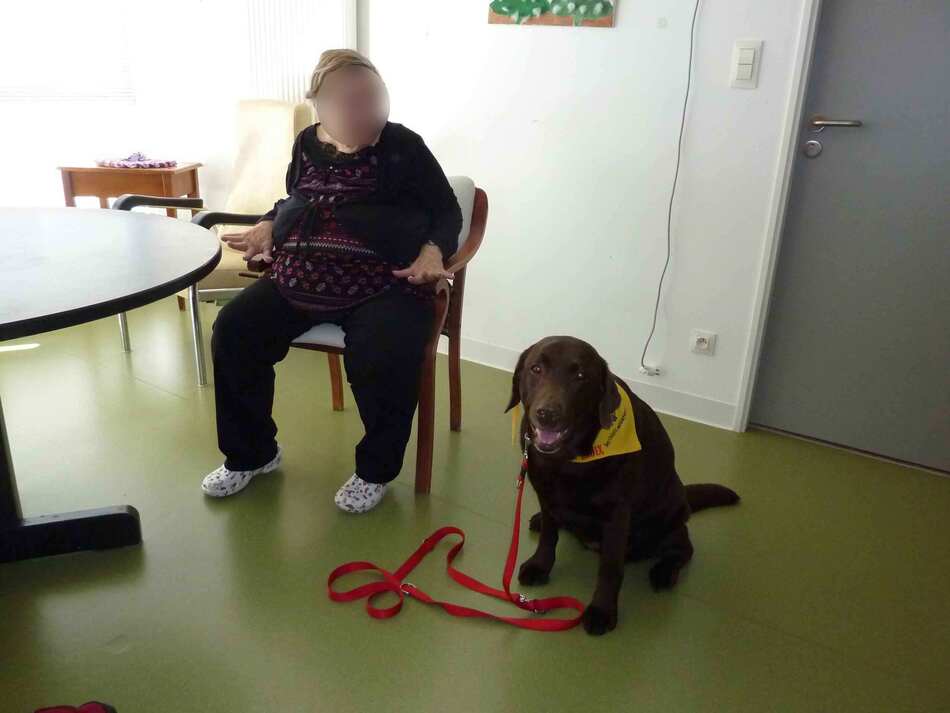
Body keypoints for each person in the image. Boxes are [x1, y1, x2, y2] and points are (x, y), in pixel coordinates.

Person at [201, 49, 462, 513]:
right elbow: (297, 199)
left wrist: (432, 250)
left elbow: (446, 210)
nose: (365, 110)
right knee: (235, 330)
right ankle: (252, 454)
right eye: (349, 100)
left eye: (372, 97)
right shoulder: (306, 144)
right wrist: (268, 223)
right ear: (319, 105)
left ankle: (375, 470)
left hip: (383, 282)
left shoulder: (403, 146)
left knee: (383, 351)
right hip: (300, 278)